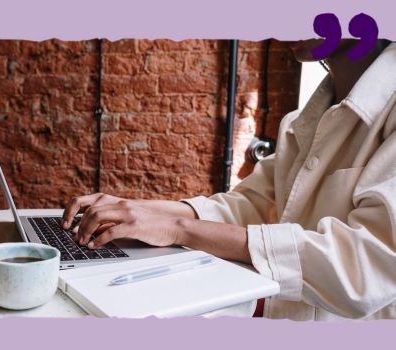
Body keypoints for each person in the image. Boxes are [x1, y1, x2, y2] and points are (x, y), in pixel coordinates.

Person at [61, 39, 396, 320]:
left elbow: (365, 267)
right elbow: (253, 204)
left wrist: (179, 229)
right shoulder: (309, 116)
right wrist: (140, 212)